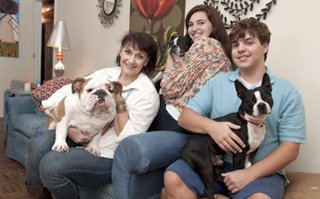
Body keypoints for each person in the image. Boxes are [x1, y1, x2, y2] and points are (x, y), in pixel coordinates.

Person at [163, 18, 306, 199]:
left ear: (265, 46)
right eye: (235, 44)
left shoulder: (287, 91)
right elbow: (185, 117)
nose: (240, 49)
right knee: (173, 177)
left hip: (260, 170)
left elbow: (291, 148)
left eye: (248, 42)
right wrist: (213, 127)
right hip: (215, 163)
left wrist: (250, 174)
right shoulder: (218, 82)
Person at [26, 31, 160, 199]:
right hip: (82, 134)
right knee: (39, 142)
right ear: (121, 51)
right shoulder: (106, 74)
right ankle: (37, 194)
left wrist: (118, 98)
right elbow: (68, 92)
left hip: (107, 154)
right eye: (128, 52)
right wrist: (67, 128)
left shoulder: (147, 94)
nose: (131, 60)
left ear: (146, 61)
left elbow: (127, 138)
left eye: (139, 56)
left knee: (51, 164)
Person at [148, 4, 232, 133]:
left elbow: (169, 89)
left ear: (213, 25)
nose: (194, 28)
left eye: (201, 23)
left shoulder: (205, 44)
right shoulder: (223, 53)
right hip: (194, 123)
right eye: (190, 24)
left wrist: (169, 58)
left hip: (174, 117)